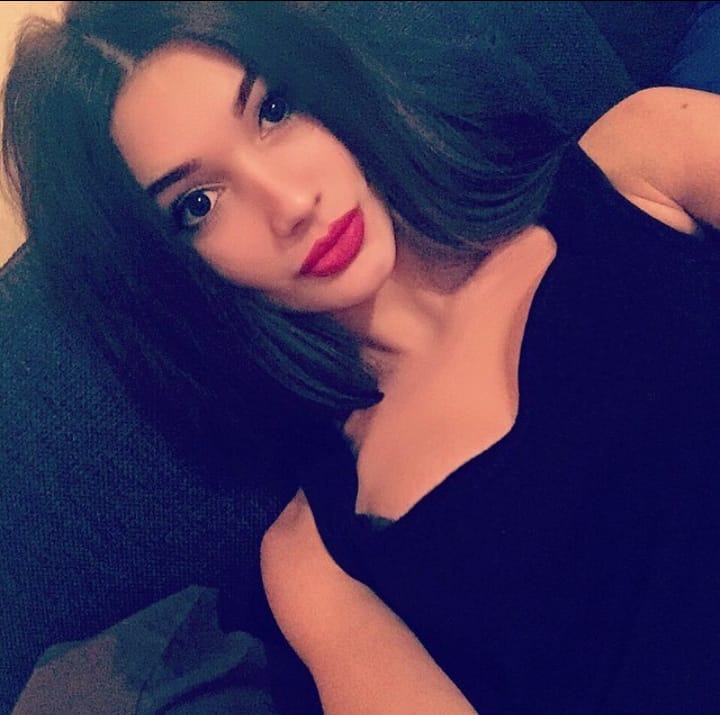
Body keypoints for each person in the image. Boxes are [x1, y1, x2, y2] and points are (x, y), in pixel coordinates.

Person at [3, 2, 719, 713]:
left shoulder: (640, 157)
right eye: (199, 204)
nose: (289, 202)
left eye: (273, 110)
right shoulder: (314, 563)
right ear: (168, 270)